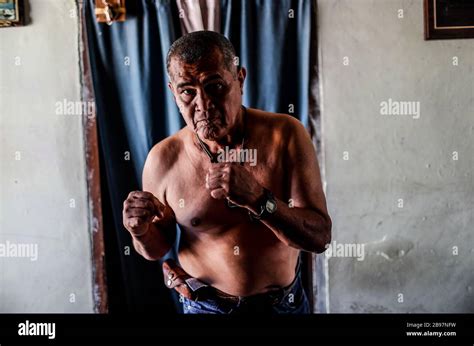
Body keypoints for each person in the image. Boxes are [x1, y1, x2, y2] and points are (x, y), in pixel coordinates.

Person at [122, 31, 331, 314]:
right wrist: (139, 232)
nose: (203, 105)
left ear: (240, 79)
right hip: (204, 308)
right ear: (173, 93)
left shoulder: (286, 136)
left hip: (282, 306)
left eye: (215, 87)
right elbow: (157, 248)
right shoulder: (163, 159)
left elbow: (319, 238)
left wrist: (259, 200)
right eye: (188, 92)